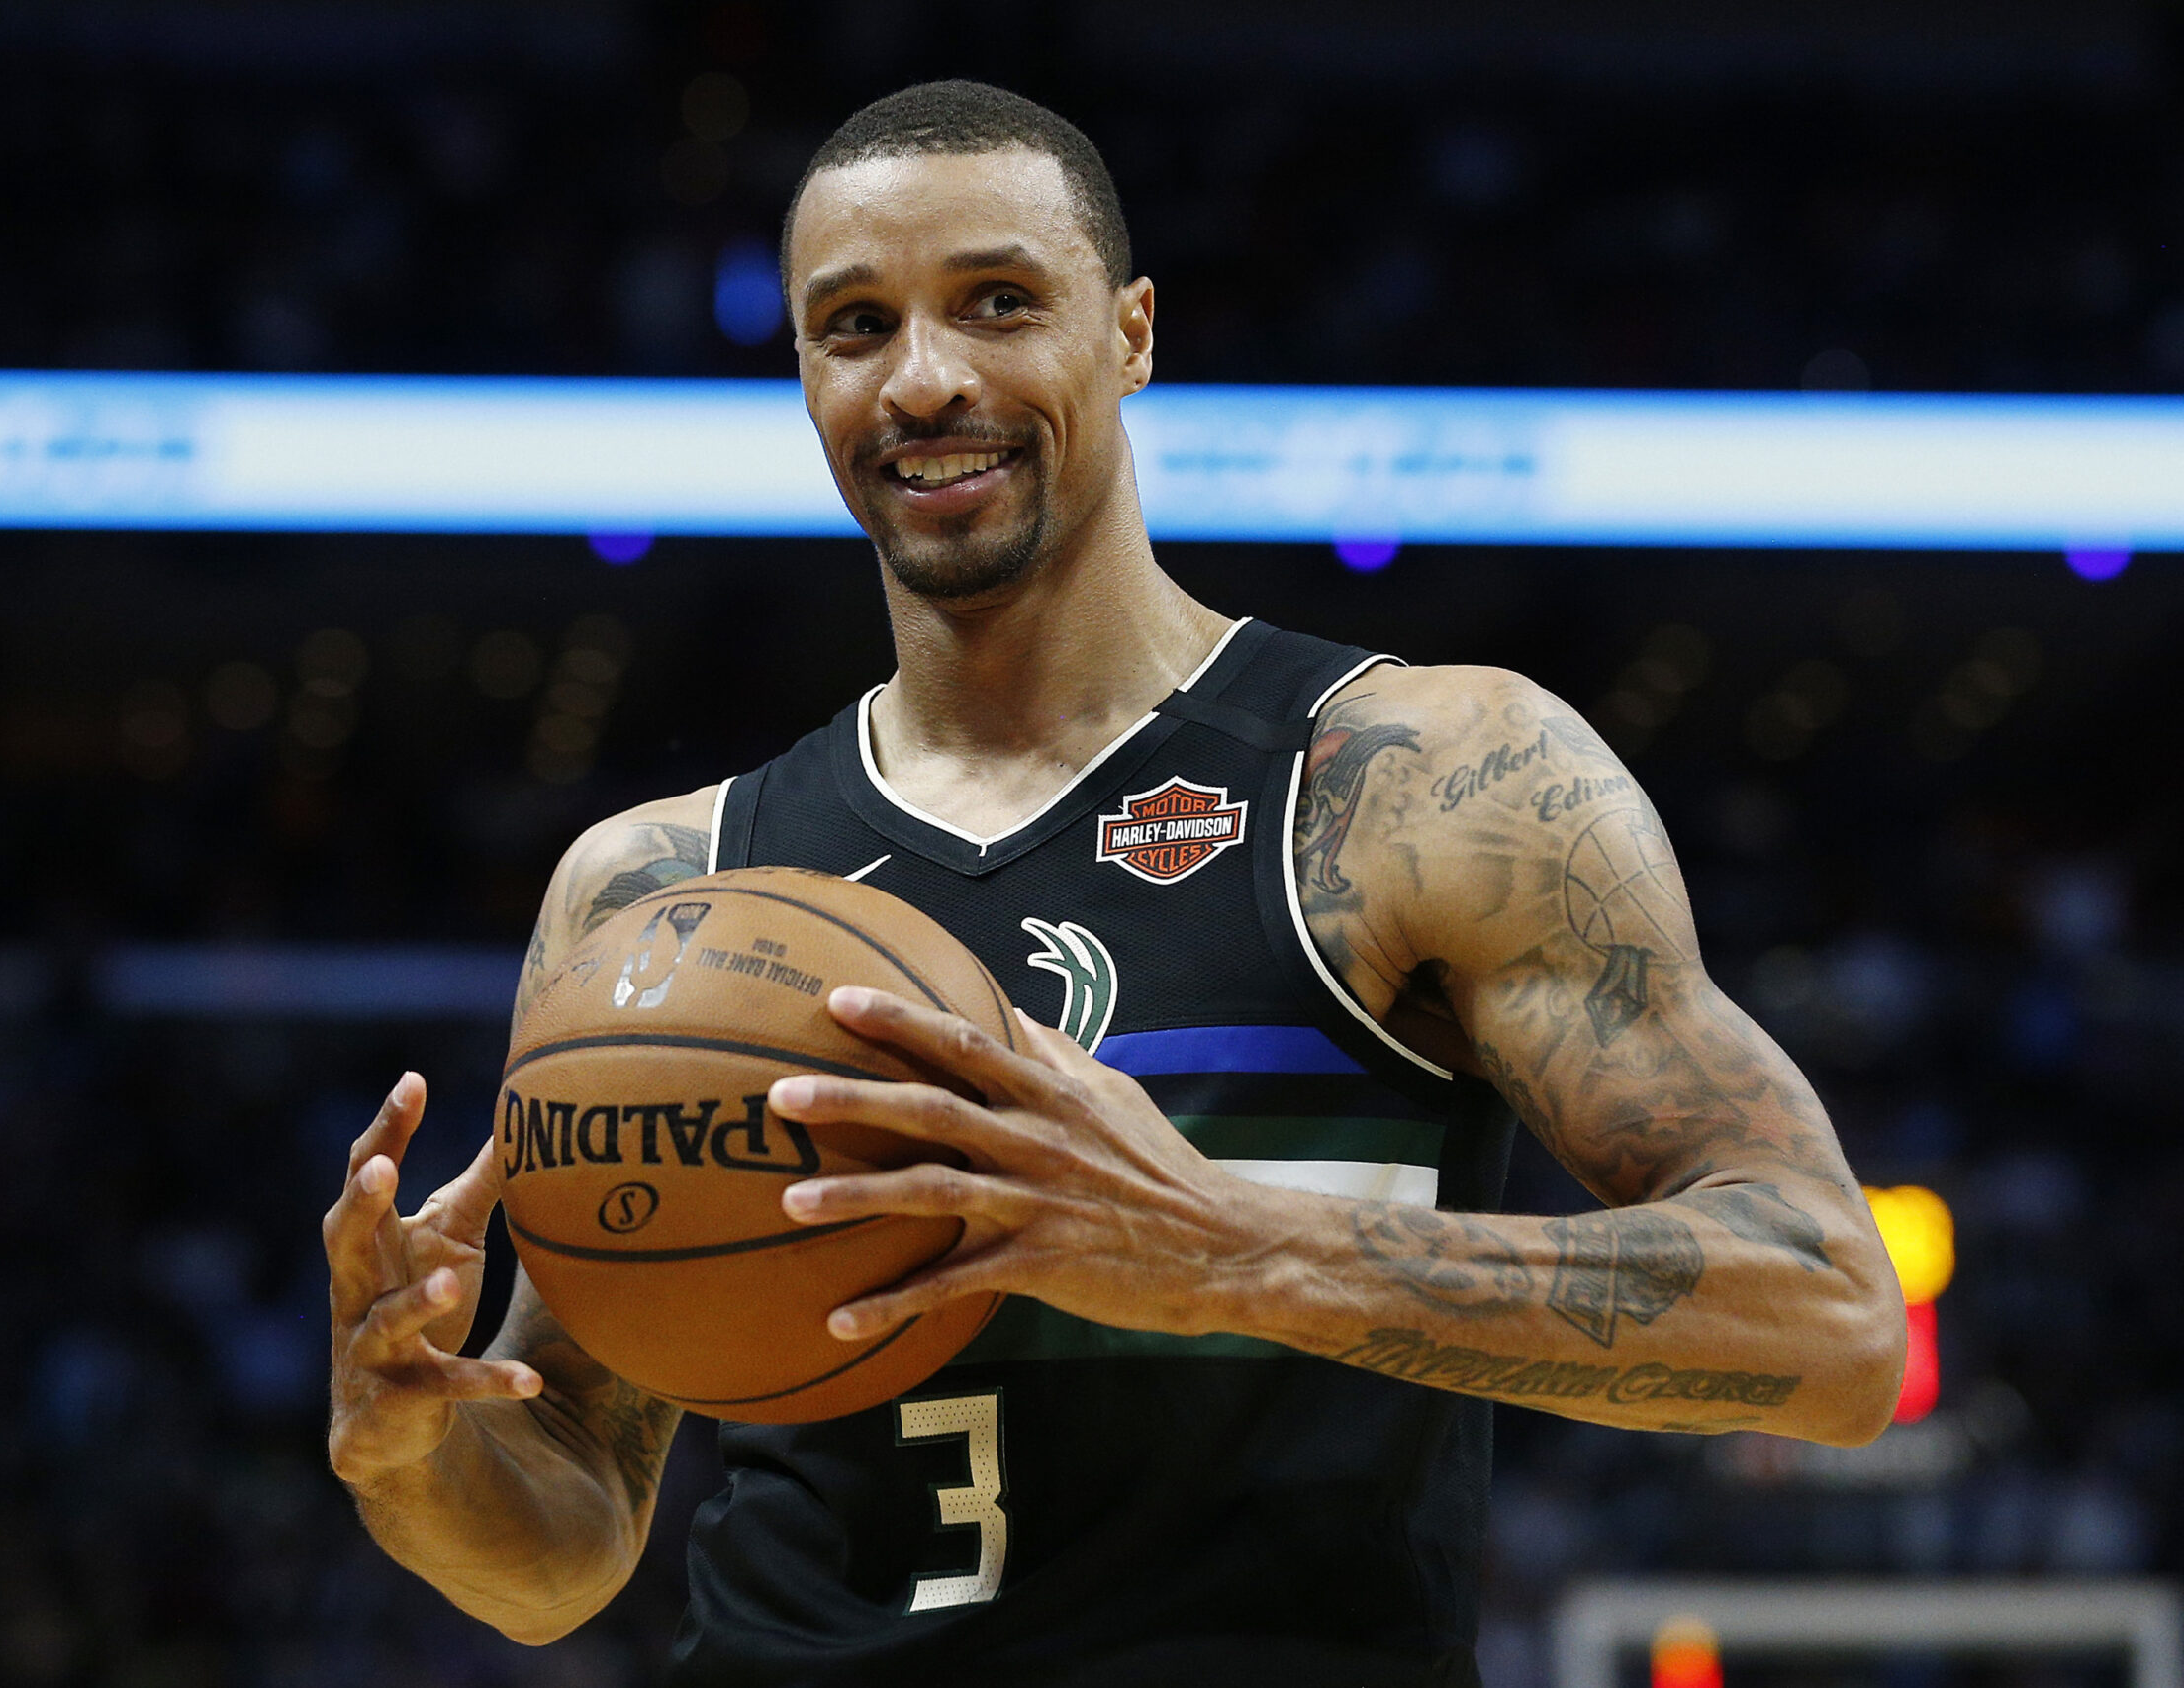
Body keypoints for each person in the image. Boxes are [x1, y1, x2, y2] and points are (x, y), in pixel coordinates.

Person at [322, 80, 1906, 1687]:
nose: (927, 378)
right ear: (804, 376)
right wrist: (411, 1457)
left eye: (998, 303)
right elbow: (564, 1541)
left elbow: (1836, 1323)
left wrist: (1236, 1247)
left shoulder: (1419, 781)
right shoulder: (660, 888)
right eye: (854, 326)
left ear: (1133, 332)